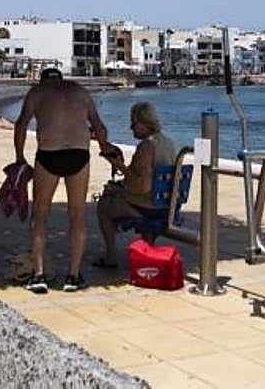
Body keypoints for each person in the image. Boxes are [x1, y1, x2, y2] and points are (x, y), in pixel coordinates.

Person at [13, 68, 109, 293]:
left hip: (49, 154)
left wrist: (19, 157)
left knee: (40, 213)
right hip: (78, 155)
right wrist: (105, 148)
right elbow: (99, 126)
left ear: (43, 81)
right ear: (62, 80)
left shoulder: (37, 93)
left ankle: (38, 275)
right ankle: (73, 276)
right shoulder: (80, 91)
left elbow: (21, 125)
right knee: (77, 215)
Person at [93, 102, 178, 269]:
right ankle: (148, 247)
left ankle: (111, 256)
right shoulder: (168, 142)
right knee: (115, 192)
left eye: (133, 123)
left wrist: (118, 165)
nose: (130, 128)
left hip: (149, 207)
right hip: (167, 204)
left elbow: (142, 187)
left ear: (144, 122)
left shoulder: (146, 146)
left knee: (104, 205)